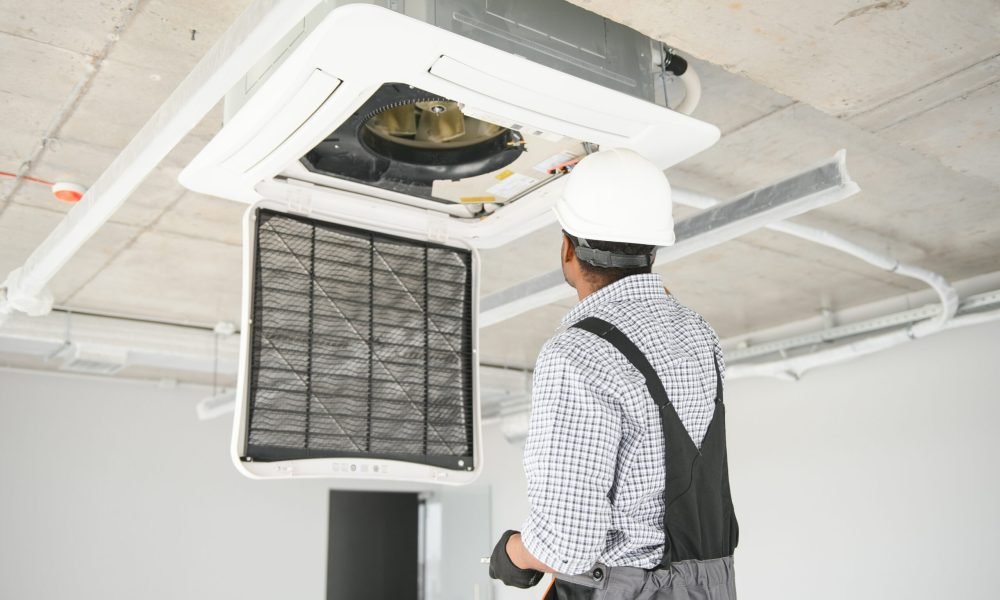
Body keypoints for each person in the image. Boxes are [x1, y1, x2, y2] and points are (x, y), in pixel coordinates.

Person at [488, 148, 738, 599]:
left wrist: (512, 554)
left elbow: (566, 546)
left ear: (567, 248)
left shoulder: (578, 353)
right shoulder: (700, 333)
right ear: (653, 247)